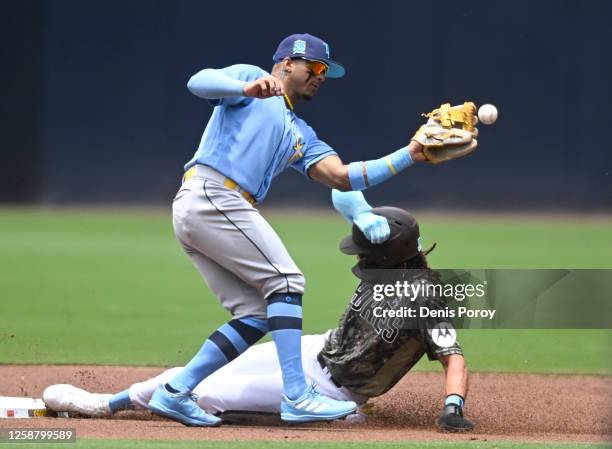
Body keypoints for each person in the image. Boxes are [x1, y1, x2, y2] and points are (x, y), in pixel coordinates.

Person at [126, 30, 446, 427]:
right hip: (213, 194)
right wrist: (246, 85)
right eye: (315, 66)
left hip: (210, 208)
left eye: (326, 71)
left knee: (257, 313)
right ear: (286, 64)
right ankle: (297, 395)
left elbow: (343, 177)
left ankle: (174, 392)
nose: (321, 76)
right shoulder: (250, 81)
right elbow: (198, 81)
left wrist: (411, 154)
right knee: (288, 282)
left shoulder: (300, 133)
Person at [43, 191, 474, 432]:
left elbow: (452, 355)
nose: (358, 257)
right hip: (312, 351)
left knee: (208, 397)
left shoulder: (426, 297)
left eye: (366, 251)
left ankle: (338, 414)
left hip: (336, 390)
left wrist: (453, 405)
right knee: (198, 374)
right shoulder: (390, 273)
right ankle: (107, 404)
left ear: (389, 256)